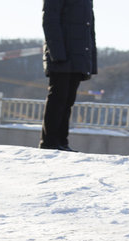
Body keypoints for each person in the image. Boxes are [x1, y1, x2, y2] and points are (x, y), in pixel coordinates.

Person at [40, 0, 97, 151]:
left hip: (77, 56)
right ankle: (49, 142)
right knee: (58, 98)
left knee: (68, 101)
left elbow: (89, 30)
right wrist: (58, 54)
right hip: (61, 55)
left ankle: (61, 142)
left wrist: (90, 60)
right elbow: (50, 21)